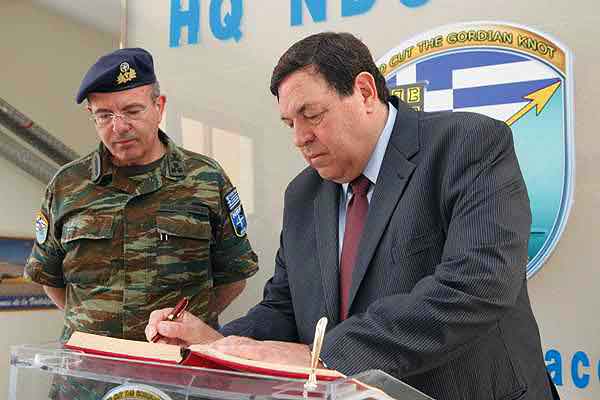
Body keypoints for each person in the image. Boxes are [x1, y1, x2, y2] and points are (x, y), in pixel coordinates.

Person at [145, 33, 557, 399]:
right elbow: (285, 308)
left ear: (364, 91)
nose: (300, 138)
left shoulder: (468, 145)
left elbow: (479, 283)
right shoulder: (303, 194)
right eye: (290, 123)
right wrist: (214, 344)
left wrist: (322, 356)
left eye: (312, 115)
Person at [25, 47, 258, 344]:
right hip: (89, 368)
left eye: (133, 111)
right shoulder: (67, 185)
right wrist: (93, 325)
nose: (119, 127)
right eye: (104, 115)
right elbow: (49, 277)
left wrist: (186, 326)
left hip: (175, 364)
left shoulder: (206, 178)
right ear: (91, 116)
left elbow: (234, 275)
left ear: (159, 106)